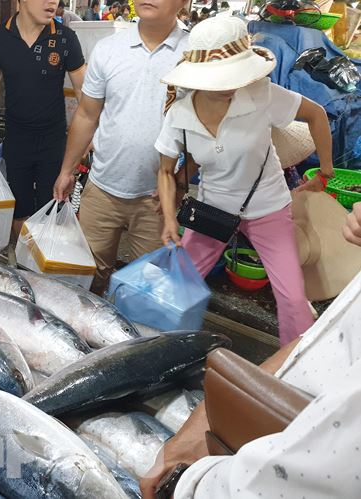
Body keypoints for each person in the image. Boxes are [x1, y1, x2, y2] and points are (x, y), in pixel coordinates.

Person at [140, 200, 361, 499]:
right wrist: (204, 421)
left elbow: (306, 476)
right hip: (258, 438)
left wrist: (188, 484)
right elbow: (318, 340)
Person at [155, 17, 333, 346]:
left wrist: (325, 171)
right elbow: (166, 171)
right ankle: (167, 350)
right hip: (212, 210)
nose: (230, 85)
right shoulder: (179, 113)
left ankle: (297, 368)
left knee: (293, 298)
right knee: (179, 287)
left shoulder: (261, 94)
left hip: (269, 207)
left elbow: (316, 114)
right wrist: (168, 218)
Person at [53, 0, 189, 295]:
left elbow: (203, 130)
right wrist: (67, 169)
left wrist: (180, 181)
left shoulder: (193, 55)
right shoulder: (109, 48)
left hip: (154, 200)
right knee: (88, 277)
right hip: (102, 189)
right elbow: (88, 114)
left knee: (146, 288)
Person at [0, 0, 86, 237]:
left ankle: (44, 266)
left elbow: (84, 93)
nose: (52, 1)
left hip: (53, 142)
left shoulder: (65, 38)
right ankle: (22, 266)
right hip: (16, 139)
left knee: (51, 208)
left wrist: (89, 137)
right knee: (19, 209)